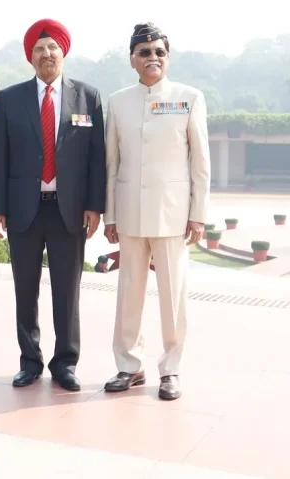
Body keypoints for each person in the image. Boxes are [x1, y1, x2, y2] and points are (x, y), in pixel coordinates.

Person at [0, 19, 106, 392]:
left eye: (53, 47)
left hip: (68, 210)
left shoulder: (87, 97)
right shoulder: (11, 99)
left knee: (67, 291)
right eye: (39, 49)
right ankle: (30, 361)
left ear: (63, 52)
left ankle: (65, 362)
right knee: (26, 290)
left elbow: (96, 157)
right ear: (30, 57)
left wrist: (95, 205)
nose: (46, 54)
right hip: (24, 208)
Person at [103, 23, 210, 400]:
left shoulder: (188, 98)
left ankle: (171, 369)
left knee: (172, 297)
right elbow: (112, 163)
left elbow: (200, 162)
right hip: (129, 213)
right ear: (132, 59)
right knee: (129, 295)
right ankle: (129, 365)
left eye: (160, 52)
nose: (153, 58)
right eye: (145, 52)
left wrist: (198, 213)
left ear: (168, 58)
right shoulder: (118, 102)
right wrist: (110, 215)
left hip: (172, 215)